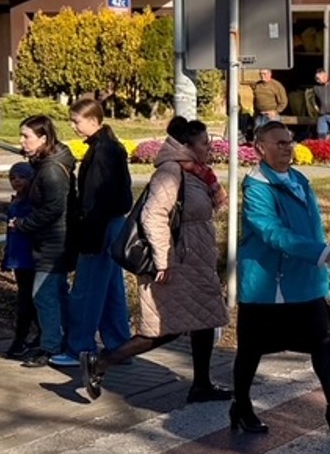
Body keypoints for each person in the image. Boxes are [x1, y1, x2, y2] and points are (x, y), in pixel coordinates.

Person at [81, 117, 231, 404]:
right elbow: (152, 215)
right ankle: (100, 362)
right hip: (177, 264)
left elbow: (199, 210)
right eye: (204, 143)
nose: (209, 148)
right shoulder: (171, 172)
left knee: (204, 320)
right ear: (186, 145)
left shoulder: (197, 173)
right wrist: (163, 261)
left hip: (196, 261)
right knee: (166, 328)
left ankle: (201, 385)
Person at [233, 120, 330, 435]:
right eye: (279, 143)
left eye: (289, 141)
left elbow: (313, 227)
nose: (287, 148)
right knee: (250, 350)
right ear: (260, 148)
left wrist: (320, 264)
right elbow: (270, 232)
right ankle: (241, 406)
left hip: (304, 280)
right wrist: (315, 251)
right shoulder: (256, 187)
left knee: (323, 343)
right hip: (267, 284)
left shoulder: (299, 180)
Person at [67, 97, 133, 361]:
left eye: (76, 121)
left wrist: (89, 235)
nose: (73, 126)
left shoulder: (101, 151)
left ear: (93, 121)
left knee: (87, 289)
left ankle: (80, 347)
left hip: (100, 225)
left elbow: (95, 197)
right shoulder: (109, 146)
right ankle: (119, 345)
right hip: (112, 223)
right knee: (111, 289)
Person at [12, 117, 78, 369]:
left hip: (55, 242)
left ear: (43, 138)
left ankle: (51, 346)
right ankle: (64, 341)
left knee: (43, 295)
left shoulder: (51, 170)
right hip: (51, 240)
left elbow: (53, 208)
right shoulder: (45, 164)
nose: (21, 141)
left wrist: (23, 224)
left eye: (26, 136)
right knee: (56, 294)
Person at [2, 162, 40, 361]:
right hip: (18, 257)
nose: (16, 181)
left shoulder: (32, 202)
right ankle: (35, 334)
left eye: (21, 177)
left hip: (30, 257)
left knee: (27, 300)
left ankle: (21, 339)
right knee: (26, 298)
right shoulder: (15, 201)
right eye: (12, 178)